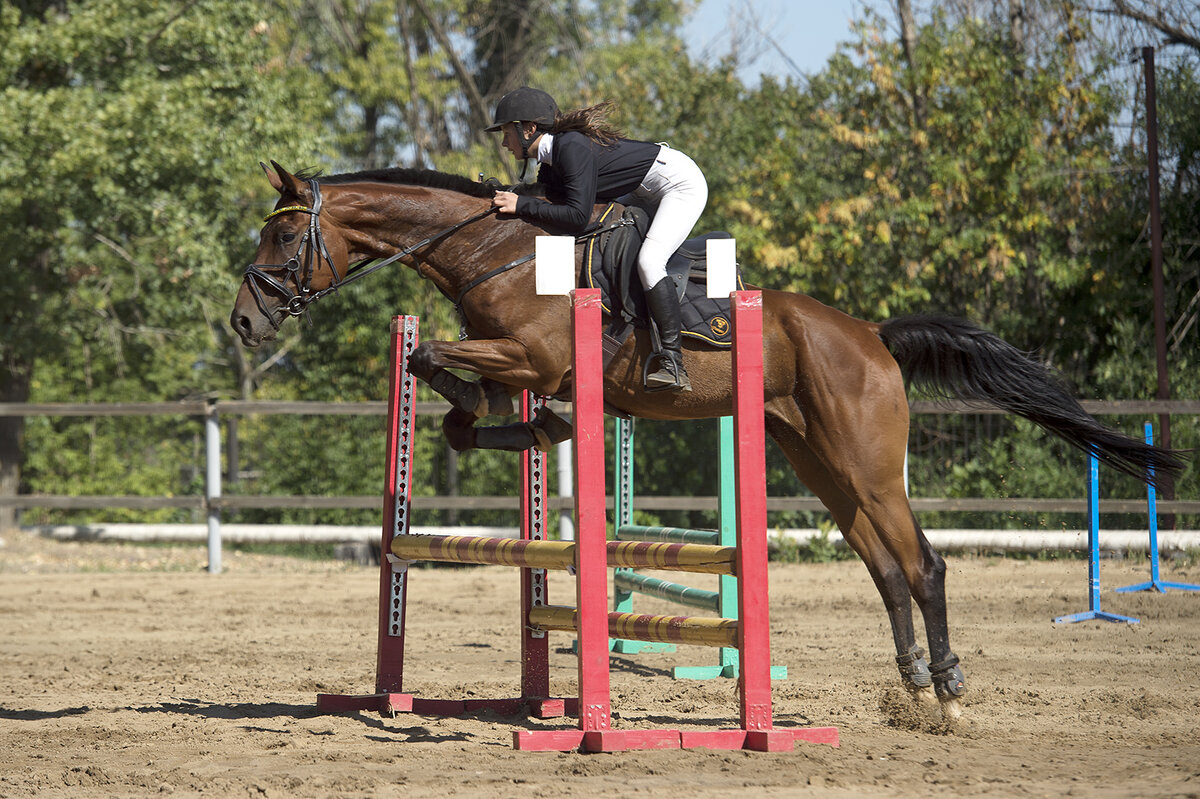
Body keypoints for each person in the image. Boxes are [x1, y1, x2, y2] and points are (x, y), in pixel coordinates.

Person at [485, 87, 708, 393]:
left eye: (507, 132)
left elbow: (576, 216)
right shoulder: (550, 161)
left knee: (649, 261)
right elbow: (548, 203)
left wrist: (520, 204)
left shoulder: (570, 147)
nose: (504, 142)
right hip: (642, 189)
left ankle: (672, 361)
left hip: (678, 185)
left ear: (529, 129)